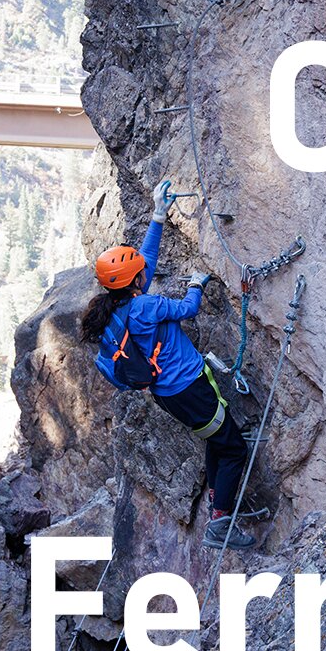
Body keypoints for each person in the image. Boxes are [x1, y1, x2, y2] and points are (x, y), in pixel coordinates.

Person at [80, 179, 256, 550]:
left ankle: (214, 498)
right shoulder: (145, 305)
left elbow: (146, 259)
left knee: (216, 438)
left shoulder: (120, 308)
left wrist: (159, 214)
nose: (146, 271)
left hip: (170, 393)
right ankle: (220, 522)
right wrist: (196, 284)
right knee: (236, 448)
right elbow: (189, 309)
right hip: (190, 389)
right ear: (136, 282)